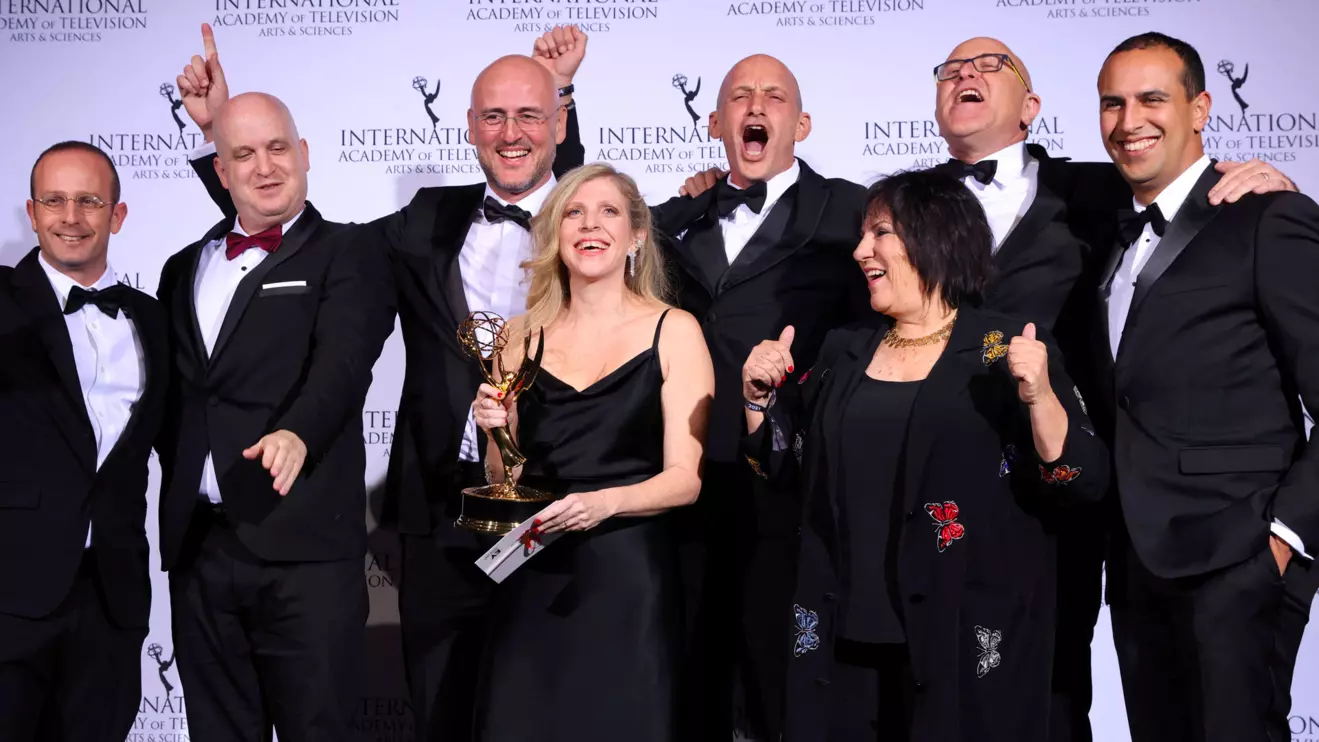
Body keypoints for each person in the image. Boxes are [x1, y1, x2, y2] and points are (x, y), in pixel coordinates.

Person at [675, 41, 1297, 741]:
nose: (965, 76)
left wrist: (1247, 179)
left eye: (988, 67)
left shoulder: (1095, 192)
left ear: (1032, 109)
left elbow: (1176, 194)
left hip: (1062, 505)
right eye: (948, 70)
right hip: (908, 523)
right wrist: (706, 194)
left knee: (1046, 696)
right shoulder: (896, 210)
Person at [175, 24, 590, 739]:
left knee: (557, 706)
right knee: (442, 705)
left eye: (532, 115)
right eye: (494, 116)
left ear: (557, 120)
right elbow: (295, 237)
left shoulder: (594, 221)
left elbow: (567, 185)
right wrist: (223, 133)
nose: (511, 133)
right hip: (441, 513)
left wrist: (565, 97)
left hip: (562, 501)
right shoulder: (426, 219)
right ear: (468, 128)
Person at [742, 169, 1108, 741]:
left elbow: (1079, 477)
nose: (861, 250)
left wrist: (1038, 396)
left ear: (934, 238)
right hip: (842, 635)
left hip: (966, 640)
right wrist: (759, 402)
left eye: (880, 232)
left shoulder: (1004, 347)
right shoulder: (844, 349)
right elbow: (785, 469)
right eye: (863, 235)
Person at [1094, 32, 1319, 742]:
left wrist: (1282, 539)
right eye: (1112, 103)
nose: (1129, 120)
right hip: (1135, 565)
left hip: (1237, 555)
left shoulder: (1265, 217)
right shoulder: (1106, 230)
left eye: (1151, 99)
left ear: (1200, 109)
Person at [154, 92, 396, 742]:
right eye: (243, 154)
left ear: (305, 155)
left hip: (305, 546)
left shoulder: (350, 253)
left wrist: (297, 431)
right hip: (200, 548)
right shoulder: (182, 269)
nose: (265, 166)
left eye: (278, 147)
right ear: (219, 171)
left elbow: (343, 365)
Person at [470, 163, 714, 740]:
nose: (590, 225)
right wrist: (497, 428)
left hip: (628, 574)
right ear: (555, 234)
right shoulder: (516, 335)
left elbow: (686, 479)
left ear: (634, 235)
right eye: (574, 213)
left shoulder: (674, 329)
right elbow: (502, 476)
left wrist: (603, 503)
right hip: (532, 565)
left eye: (608, 212)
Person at [0, 142, 169, 742]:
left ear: (117, 215)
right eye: (55, 200)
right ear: (32, 211)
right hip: (12, 594)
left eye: (89, 201)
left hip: (112, 598)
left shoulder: (154, 318)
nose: (70, 216)